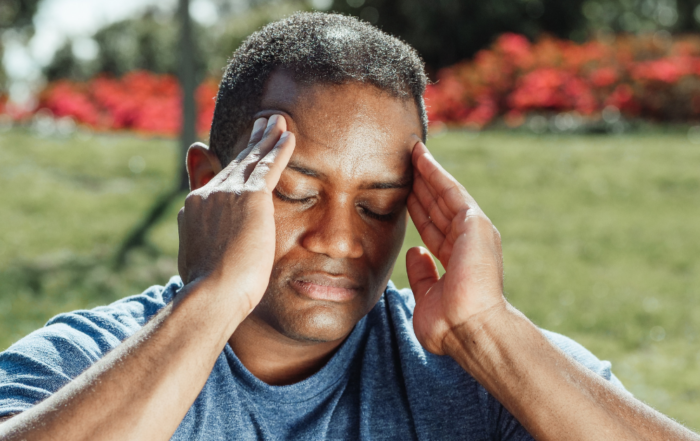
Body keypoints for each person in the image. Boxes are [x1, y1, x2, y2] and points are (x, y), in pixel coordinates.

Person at [0, 12, 697, 441]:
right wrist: (212, 297)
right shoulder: (84, 363)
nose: (339, 239)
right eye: (297, 192)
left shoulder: (482, 375)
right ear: (211, 182)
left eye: (377, 205)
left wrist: (489, 332)